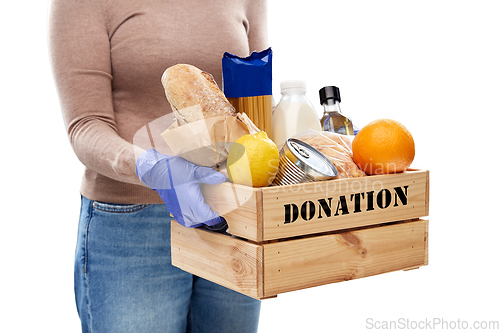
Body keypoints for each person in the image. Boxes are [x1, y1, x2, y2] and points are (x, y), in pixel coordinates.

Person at [48, 0, 268, 332]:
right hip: (133, 227)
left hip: (231, 216)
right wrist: (150, 168)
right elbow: (86, 125)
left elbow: (254, 101)